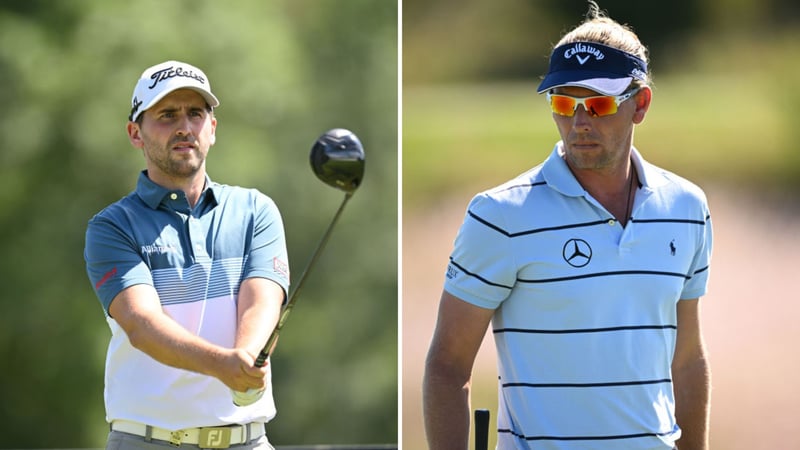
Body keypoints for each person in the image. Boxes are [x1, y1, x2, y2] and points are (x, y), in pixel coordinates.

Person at [423, 3, 712, 450]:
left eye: (597, 104)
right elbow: (447, 366)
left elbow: (688, 359)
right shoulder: (499, 215)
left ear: (640, 104)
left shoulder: (687, 207)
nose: (579, 123)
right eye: (563, 102)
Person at [84, 60, 289, 450]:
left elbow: (263, 303)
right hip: (148, 441)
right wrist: (226, 366)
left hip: (248, 440)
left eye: (196, 113)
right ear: (135, 133)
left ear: (212, 128)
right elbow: (142, 324)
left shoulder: (255, 211)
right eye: (166, 115)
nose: (184, 126)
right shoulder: (112, 226)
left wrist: (244, 360)